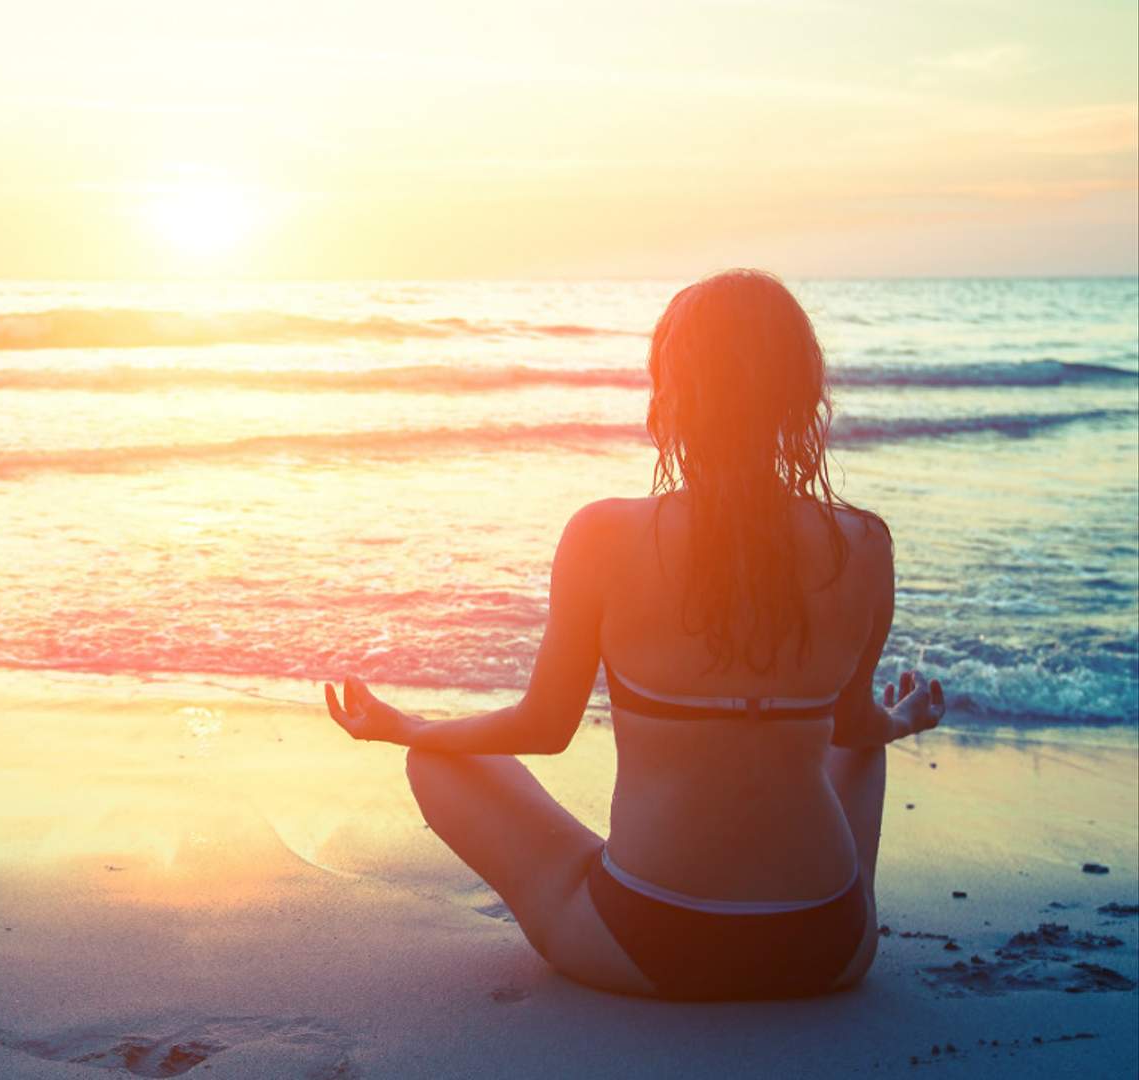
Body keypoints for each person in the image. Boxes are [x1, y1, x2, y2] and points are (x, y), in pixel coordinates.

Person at [323, 269, 946, 1001]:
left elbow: (544, 727)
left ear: (674, 395)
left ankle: (619, 872)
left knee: (434, 759)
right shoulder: (863, 544)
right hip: (829, 948)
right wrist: (902, 720)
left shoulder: (604, 535)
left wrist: (405, 726)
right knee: (863, 747)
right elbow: (852, 725)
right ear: (800, 396)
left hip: (654, 940)